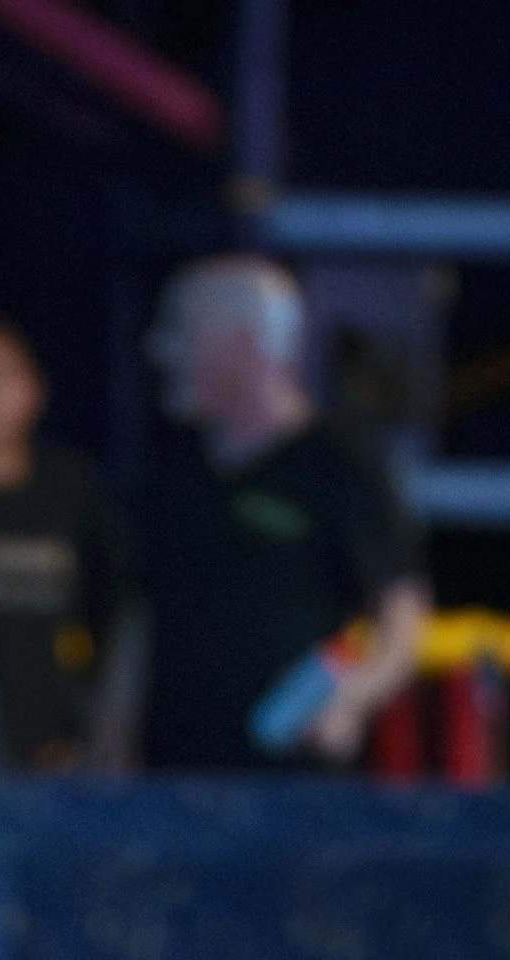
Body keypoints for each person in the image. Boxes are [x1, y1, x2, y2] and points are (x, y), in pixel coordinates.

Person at [130, 256, 427, 772]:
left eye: (180, 330)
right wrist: (114, 724)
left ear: (243, 343)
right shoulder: (175, 468)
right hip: (171, 781)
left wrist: (349, 702)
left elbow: (402, 618)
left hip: (292, 787)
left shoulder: (339, 463)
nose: (159, 350)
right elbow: (141, 611)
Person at [0, 315, 141, 772]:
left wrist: (112, 724)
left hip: (65, 756)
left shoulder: (74, 491)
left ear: (33, 389)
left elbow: (123, 613)